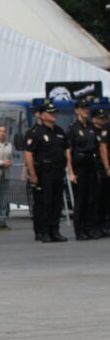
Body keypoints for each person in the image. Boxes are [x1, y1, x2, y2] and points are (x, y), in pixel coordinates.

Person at [25, 101, 69, 243]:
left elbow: (66, 150)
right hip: (44, 172)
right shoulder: (36, 132)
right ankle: (43, 231)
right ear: (42, 116)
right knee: (45, 202)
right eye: (50, 113)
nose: (54, 115)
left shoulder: (59, 131)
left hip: (58, 171)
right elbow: (29, 154)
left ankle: (54, 230)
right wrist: (33, 174)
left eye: (54, 113)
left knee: (57, 203)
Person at [66, 99, 102, 240]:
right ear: (77, 110)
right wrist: (71, 171)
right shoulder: (73, 128)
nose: (86, 110)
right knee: (81, 199)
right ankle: (79, 229)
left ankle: (89, 227)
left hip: (91, 163)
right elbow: (68, 150)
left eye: (87, 108)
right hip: (79, 164)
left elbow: (98, 147)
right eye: (83, 108)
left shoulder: (92, 127)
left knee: (91, 198)